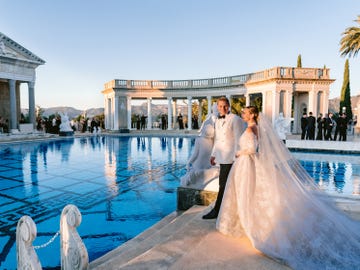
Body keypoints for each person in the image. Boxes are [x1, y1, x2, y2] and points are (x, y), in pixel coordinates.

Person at [216, 106, 360, 269]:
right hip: (248, 164)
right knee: (248, 192)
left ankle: (248, 221)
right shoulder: (254, 127)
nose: (242, 114)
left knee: (246, 192)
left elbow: (251, 149)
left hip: (246, 162)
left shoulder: (251, 129)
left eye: (245, 112)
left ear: (252, 115)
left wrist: (239, 153)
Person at [202, 96, 245, 219]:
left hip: (231, 158)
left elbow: (238, 140)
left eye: (225, 106)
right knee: (225, 184)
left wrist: (237, 158)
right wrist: (213, 154)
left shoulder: (235, 119)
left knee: (223, 184)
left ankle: (217, 211)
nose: (222, 108)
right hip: (221, 157)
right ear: (217, 107)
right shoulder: (217, 120)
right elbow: (218, 139)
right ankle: (225, 209)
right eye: (220, 106)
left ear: (229, 106)